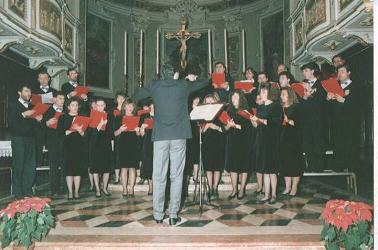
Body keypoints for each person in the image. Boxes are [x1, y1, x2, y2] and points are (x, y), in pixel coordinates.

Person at [133, 64, 208, 226]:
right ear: (175, 74)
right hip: (179, 135)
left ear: (162, 74)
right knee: (176, 175)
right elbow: (205, 82)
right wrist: (189, 78)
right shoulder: (183, 85)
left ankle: (158, 214)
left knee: (158, 175)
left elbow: (137, 95)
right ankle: (173, 214)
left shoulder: (155, 85)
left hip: (160, 135)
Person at [8, 84, 42, 199]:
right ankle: (18, 193)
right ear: (19, 92)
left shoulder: (32, 106)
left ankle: (28, 190)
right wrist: (23, 114)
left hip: (31, 139)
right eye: (26, 91)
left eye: (30, 92)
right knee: (18, 165)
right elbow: (10, 124)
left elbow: (36, 128)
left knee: (30, 166)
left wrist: (38, 120)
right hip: (18, 139)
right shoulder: (13, 105)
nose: (29, 94)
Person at [252, 83, 282, 204]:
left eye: (264, 92)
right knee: (264, 169)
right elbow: (256, 125)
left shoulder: (276, 106)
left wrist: (263, 121)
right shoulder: (260, 107)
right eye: (261, 92)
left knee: (272, 170)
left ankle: (274, 194)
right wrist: (253, 121)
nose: (261, 94)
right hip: (261, 139)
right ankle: (266, 194)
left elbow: (277, 123)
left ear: (270, 94)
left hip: (272, 140)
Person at [327, 64, 361, 172]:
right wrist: (328, 98)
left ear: (349, 73)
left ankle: (352, 172)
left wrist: (344, 101)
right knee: (338, 147)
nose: (340, 74)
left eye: (342, 71)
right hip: (336, 124)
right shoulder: (335, 86)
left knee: (350, 148)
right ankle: (339, 170)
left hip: (350, 124)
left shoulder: (356, 86)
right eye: (338, 72)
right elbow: (327, 108)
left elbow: (359, 104)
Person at [224, 90, 253, 200]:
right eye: (232, 97)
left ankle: (242, 190)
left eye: (236, 97)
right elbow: (225, 128)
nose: (233, 99)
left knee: (244, 166)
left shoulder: (247, 110)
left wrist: (235, 126)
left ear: (241, 98)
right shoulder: (228, 110)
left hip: (244, 141)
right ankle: (234, 189)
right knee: (233, 166)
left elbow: (249, 129)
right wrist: (228, 126)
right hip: (232, 140)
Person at [57, 97, 87, 200]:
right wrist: (70, 130)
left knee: (78, 170)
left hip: (79, 146)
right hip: (67, 146)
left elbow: (85, 135)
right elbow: (59, 133)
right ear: (68, 106)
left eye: (76, 105)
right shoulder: (63, 118)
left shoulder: (83, 118)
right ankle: (70, 192)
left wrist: (80, 130)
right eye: (72, 105)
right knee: (68, 170)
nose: (74, 107)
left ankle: (77, 192)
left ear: (79, 107)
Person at [299, 62, 326, 172]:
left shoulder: (321, 84)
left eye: (306, 71)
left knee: (318, 143)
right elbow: (300, 103)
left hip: (318, 120)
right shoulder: (302, 85)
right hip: (306, 120)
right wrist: (304, 97)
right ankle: (310, 167)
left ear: (312, 71)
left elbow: (322, 103)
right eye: (303, 71)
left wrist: (310, 90)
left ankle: (319, 167)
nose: (304, 73)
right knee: (308, 144)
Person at [114, 98, 141, 197]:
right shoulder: (118, 118)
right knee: (124, 168)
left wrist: (138, 130)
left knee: (132, 168)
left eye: (132, 105)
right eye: (128, 105)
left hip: (133, 144)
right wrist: (120, 129)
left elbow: (140, 135)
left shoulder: (137, 118)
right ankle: (125, 189)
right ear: (124, 106)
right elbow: (114, 134)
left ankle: (131, 189)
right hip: (122, 144)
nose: (130, 107)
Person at [279, 87, 303, 197]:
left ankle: (294, 187)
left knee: (294, 164)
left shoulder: (297, 107)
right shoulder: (279, 108)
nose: (281, 96)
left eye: (283, 94)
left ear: (289, 95)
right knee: (285, 163)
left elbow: (300, 124)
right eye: (281, 94)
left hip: (294, 139)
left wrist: (288, 121)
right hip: (282, 139)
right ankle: (287, 186)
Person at [201, 93, 225, 201]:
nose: (210, 103)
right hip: (207, 143)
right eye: (207, 101)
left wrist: (216, 127)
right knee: (209, 167)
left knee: (217, 167)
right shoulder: (202, 114)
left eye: (212, 101)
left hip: (219, 142)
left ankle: (215, 188)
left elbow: (225, 129)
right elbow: (200, 131)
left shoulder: (220, 113)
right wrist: (208, 126)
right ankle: (210, 189)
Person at [41, 91, 65, 196]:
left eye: (63, 99)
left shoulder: (66, 111)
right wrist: (46, 123)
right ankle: (55, 189)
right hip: (52, 142)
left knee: (64, 164)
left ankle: (66, 187)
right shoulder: (47, 111)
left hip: (64, 141)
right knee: (54, 165)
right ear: (54, 99)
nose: (62, 101)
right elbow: (40, 126)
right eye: (60, 98)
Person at [33, 71, 58, 169]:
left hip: (51, 125)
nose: (43, 80)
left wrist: (56, 103)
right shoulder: (33, 92)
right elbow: (29, 108)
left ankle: (52, 174)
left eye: (45, 78)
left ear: (49, 79)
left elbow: (60, 108)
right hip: (38, 125)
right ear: (38, 79)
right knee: (37, 151)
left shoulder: (55, 92)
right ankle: (35, 177)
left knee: (52, 152)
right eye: (41, 78)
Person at [89, 98, 112, 197]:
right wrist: (101, 124)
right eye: (98, 105)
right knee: (96, 168)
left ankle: (105, 188)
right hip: (95, 144)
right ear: (95, 106)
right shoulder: (92, 115)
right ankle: (97, 189)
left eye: (102, 105)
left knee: (107, 168)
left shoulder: (109, 116)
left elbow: (111, 132)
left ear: (105, 105)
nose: (100, 107)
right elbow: (93, 133)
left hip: (106, 143)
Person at [139, 102, 154, 195]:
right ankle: (151, 188)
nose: (152, 108)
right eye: (151, 106)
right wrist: (142, 128)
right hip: (148, 144)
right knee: (148, 166)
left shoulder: (161, 116)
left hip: (158, 143)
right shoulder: (144, 116)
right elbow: (141, 134)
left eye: (154, 106)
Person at [111, 92, 126, 184]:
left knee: (124, 156)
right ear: (116, 100)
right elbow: (111, 125)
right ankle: (117, 177)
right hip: (116, 135)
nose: (121, 100)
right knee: (116, 156)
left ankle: (123, 176)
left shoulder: (128, 110)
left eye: (123, 98)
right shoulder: (112, 111)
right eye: (119, 98)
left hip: (126, 136)